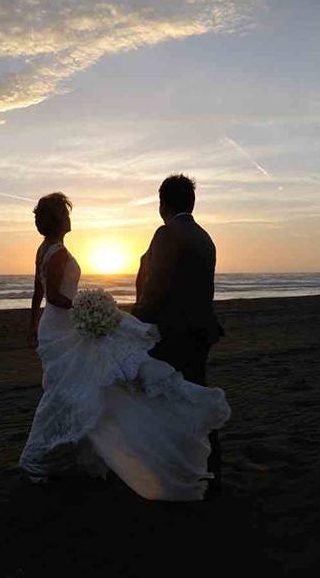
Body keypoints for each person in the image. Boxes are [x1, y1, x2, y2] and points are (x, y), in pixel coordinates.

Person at [19, 192, 230, 501]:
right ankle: (43, 455)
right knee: (68, 388)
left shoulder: (44, 249)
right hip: (65, 325)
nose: (69, 218)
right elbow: (54, 295)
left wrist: (33, 322)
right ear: (59, 219)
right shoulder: (59, 253)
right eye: (66, 213)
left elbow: (38, 292)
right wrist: (89, 305)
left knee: (66, 386)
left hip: (56, 325)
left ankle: (68, 453)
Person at [132, 174, 225, 491]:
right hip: (201, 329)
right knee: (194, 391)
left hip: (173, 332)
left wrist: (134, 321)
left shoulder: (166, 233)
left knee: (169, 397)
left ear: (163, 204)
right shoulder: (204, 236)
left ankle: (177, 465)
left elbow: (156, 289)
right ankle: (206, 461)